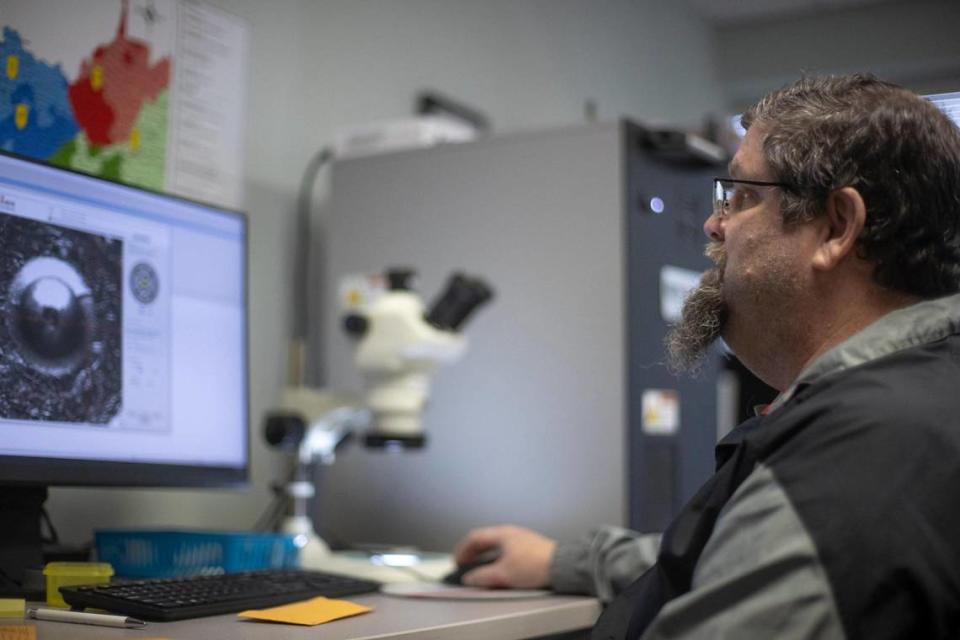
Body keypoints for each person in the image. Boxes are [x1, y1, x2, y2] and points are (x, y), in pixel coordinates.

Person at [452, 73, 960, 638]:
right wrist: (565, 561)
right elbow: (741, 553)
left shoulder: (853, 460)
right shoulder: (920, 398)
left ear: (837, 227)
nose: (713, 223)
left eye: (742, 197)